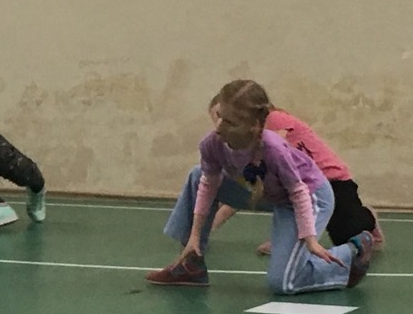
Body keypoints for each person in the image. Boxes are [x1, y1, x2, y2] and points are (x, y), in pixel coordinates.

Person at [146, 79, 374, 293]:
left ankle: (351, 254)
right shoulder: (212, 143)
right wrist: (194, 236)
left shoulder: (274, 148)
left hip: (307, 197)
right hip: (270, 195)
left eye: (230, 122)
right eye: (219, 117)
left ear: (253, 126)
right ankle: (191, 265)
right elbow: (207, 186)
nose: (219, 127)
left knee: (283, 283)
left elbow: (299, 192)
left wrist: (310, 240)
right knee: (198, 175)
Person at [203, 94, 384, 255]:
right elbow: (246, 187)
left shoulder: (272, 123)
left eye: (224, 120)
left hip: (331, 179)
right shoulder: (246, 141)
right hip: (303, 183)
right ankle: (286, 240)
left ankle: (366, 217)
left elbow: (272, 168)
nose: (220, 128)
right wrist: (206, 230)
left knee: (346, 236)